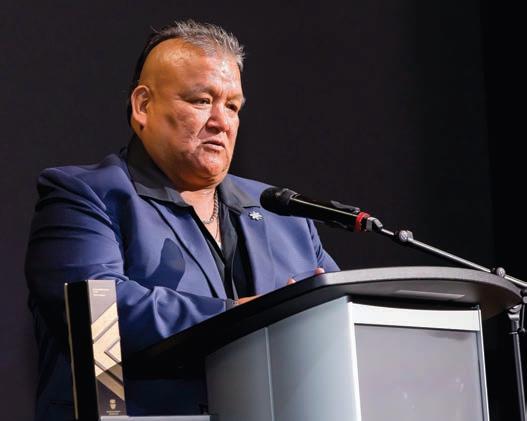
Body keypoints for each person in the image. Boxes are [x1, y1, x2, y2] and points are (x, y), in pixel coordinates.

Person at [25, 20, 339, 420]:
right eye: (201, 100)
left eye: (232, 106)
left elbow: (339, 321)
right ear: (143, 106)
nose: (222, 121)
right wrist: (244, 316)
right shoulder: (84, 195)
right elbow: (98, 311)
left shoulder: (284, 215)